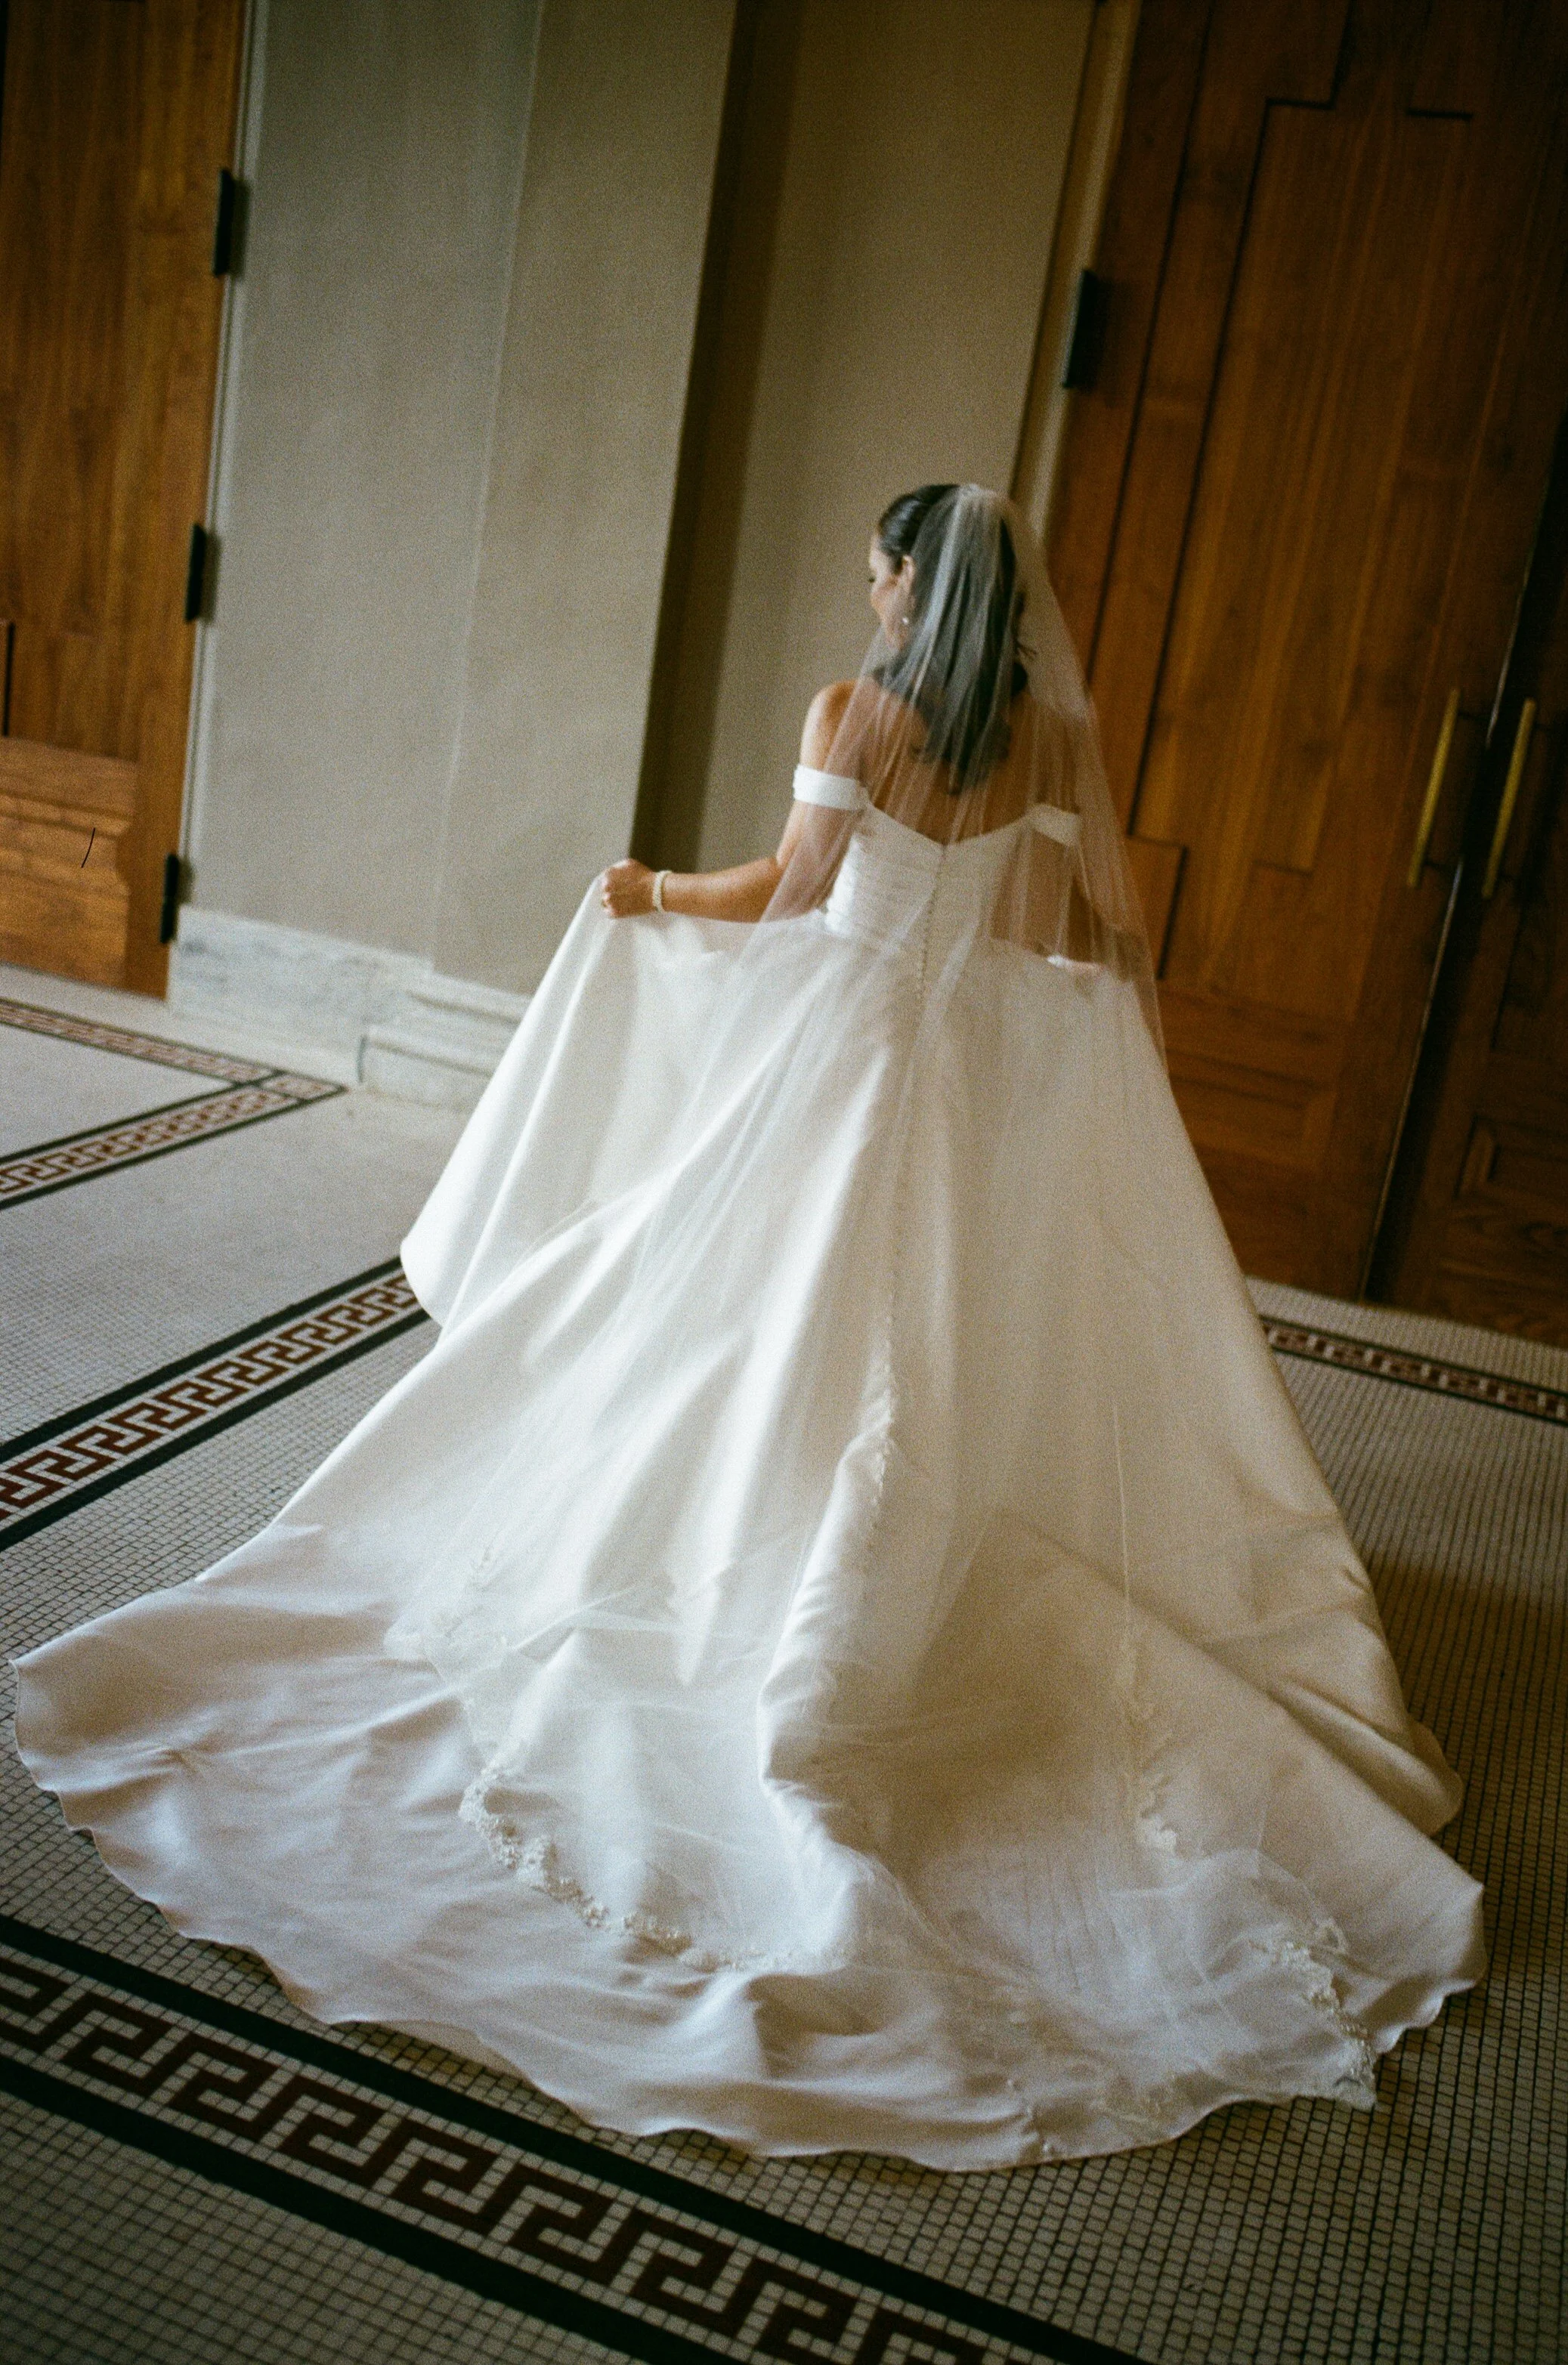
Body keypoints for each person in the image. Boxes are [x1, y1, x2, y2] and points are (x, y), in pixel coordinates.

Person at [15, 485, 1483, 2171]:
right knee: (903, 1351)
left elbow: (789, 893)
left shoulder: (851, 712)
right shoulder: (1029, 744)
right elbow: (1072, 936)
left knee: (702, 1314)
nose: (864, 592)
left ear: (909, 585)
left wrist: (645, 887)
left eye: (876, 570)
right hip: (943, 1098)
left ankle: (731, 1567)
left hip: (824, 1070)